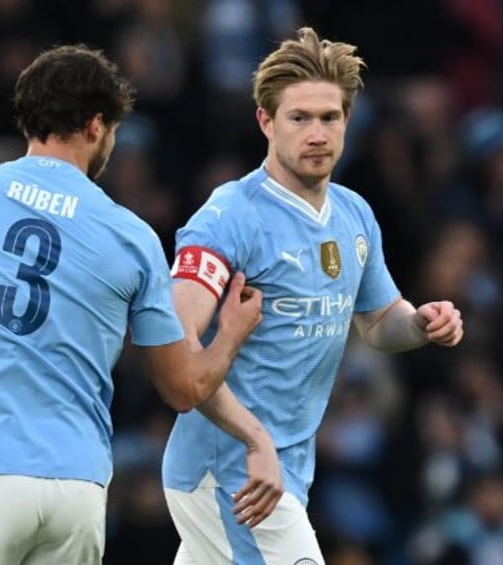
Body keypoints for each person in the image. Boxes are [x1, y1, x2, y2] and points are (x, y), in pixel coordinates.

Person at [0, 44, 264, 565]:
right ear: (97, 125)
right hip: (76, 487)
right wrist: (230, 331)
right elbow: (183, 388)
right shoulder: (132, 238)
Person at [162, 27, 464, 564]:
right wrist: (255, 440)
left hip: (285, 470)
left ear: (347, 121)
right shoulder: (231, 216)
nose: (317, 133)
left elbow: (377, 323)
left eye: (330, 117)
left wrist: (420, 323)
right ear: (265, 121)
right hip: (230, 473)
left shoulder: (354, 215)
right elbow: (176, 343)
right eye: (299, 118)